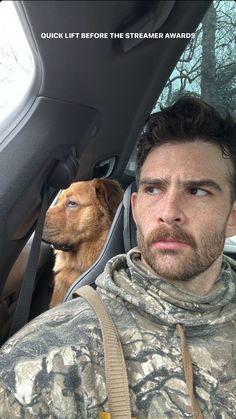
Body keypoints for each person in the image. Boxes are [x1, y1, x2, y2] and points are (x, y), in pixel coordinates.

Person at [0, 96, 236, 419]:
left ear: (233, 216)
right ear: (135, 208)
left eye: (197, 191)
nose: (169, 213)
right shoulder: (47, 357)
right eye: (153, 189)